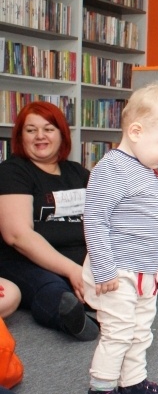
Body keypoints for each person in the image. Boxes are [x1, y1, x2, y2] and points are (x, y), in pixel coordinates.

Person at [82, 82, 158, 394]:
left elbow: (146, 225)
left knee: (141, 330)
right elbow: (95, 220)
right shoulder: (112, 169)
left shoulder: (145, 171)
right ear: (136, 131)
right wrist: (104, 270)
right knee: (118, 332)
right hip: (114, 269)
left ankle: (132, 382)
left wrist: (154, 261)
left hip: (141, 269)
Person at [0, 101, 99, 341]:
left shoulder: (78, 172)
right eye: (31, 130)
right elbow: (18, 236)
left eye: (48, 129)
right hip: (25, 260)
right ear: (20, 137)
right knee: (50, 287)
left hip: (79, 258)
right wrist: (72, 270)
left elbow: (101, 221)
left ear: (62, 134)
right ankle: (72, 320)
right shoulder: (13, 171)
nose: (40, 136)